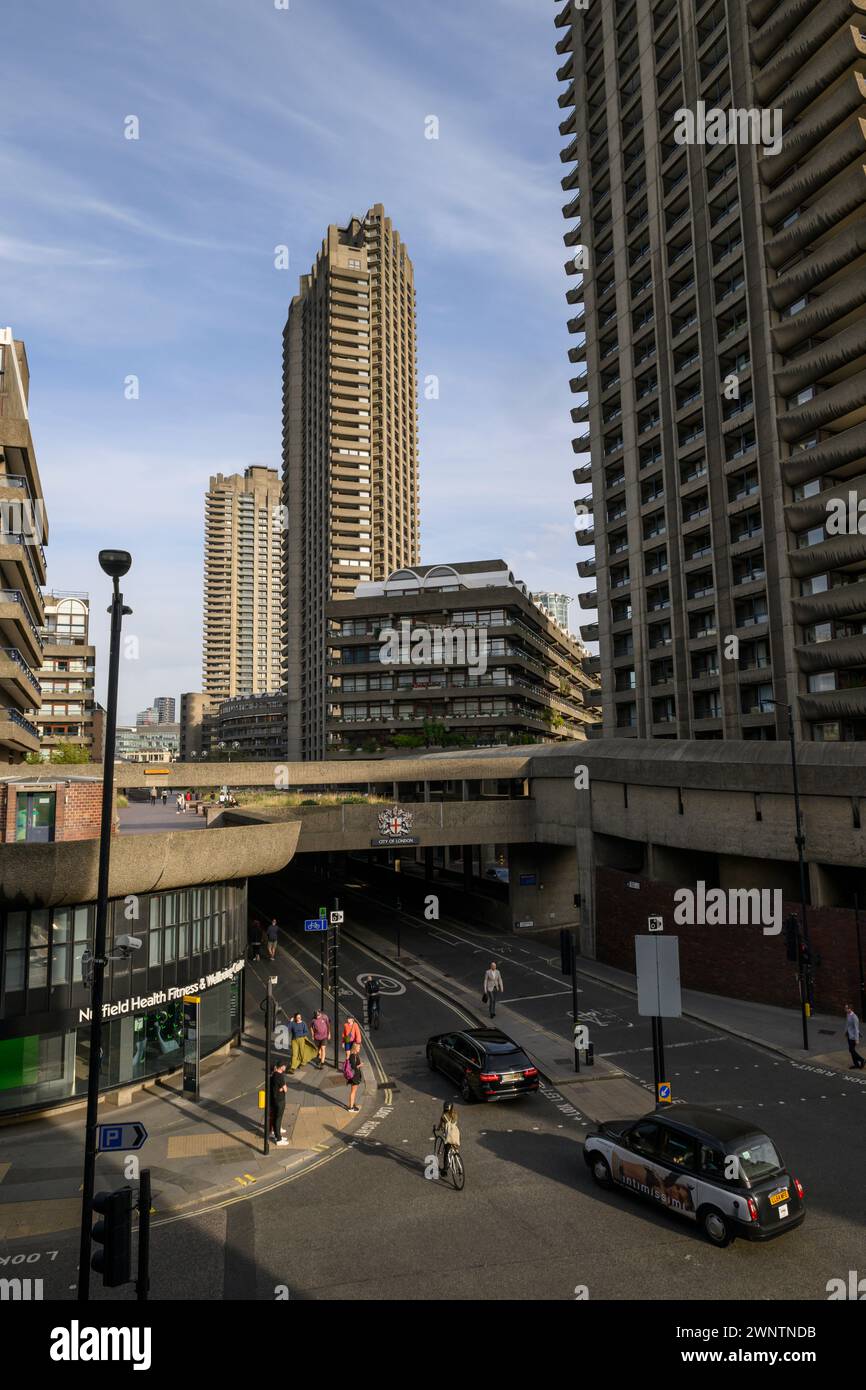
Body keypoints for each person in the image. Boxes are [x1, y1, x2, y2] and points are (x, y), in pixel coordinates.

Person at [433, 1101, 461, 1175]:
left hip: (449, 1136)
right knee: (455, 1148)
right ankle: (457, 1159)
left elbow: (440, 1126)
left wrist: (436, 1129)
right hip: (456, 1134)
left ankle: (445, 1170)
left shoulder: (443, 1116)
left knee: (446, 1152)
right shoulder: (455, 1114)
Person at [269, 1061, 289, 1145]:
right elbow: (286, 1089)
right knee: (278, 1119)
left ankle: (277, 1135)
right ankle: (279, 1139)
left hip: (274, 1100)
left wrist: (280, 1089)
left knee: (275, 1118)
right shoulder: (280, 1076)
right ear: (281, 1067)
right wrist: (282, 1089)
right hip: (280, 1100)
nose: (285, 1067)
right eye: (284, 1066)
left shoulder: (273, 1075)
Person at [344, 1041, 364, 1112]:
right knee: (353, 1092)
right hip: (354, 1077)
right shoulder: (352, 1056)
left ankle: (352, 1105)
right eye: (358, 1047)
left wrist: (359, 1064)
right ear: (355, 1048)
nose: (359, 1048)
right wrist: (360, 1065)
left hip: (355, 1076)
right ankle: (351, 1108)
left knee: (354, 1091)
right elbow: (353, 1066)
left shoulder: (355, 1055)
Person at [844, 1004, 865, 1069]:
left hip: (853, 1036)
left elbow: (856, 1028)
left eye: (847, 1008)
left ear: (851, 1009)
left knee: (851, 1050)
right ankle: (857, 1064)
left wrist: (857, 1039)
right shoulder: (848, 1014)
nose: (845, 1009)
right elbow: (847, 1024)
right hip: (849, 1035)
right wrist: (845, 1032)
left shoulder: (854, 1017)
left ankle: (862, 1060)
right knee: (851, 1050)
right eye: (845, 1008)